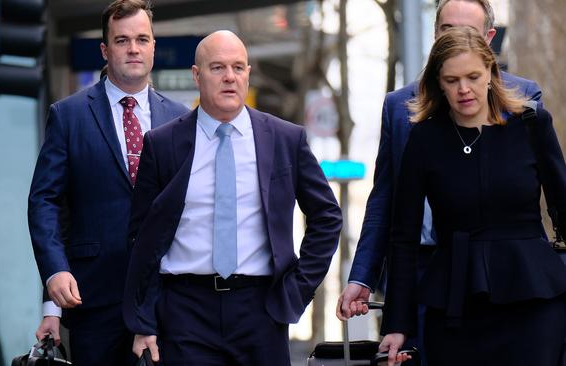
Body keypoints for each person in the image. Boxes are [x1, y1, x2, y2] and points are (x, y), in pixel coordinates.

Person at [121, 30, 342, 365]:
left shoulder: (285, 139)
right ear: (197, 75)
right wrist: (144, 321)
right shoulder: (163, 143)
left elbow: (327, 217)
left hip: (260, 310)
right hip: (185, 312)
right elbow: (142, 238)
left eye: (238, 68)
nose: (229, 78)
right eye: (218, 68)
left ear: (248, 74)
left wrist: (296, 290)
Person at [337, 1, 543, 359]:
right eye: (448, 31)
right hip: (421, 273)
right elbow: (385, 199)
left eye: (469, 32)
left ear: (489, 39)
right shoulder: (401, 109)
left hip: (503, 273)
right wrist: (362, 277)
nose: (457, 40)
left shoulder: (524, 103)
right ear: (435, 37)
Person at [377, 26, 566, 366]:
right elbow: (402, 237)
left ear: (492, 73)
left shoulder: (532, 124)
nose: (464, 89)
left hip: (533, 301)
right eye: (452, 80)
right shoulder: (424, 139)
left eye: (473, 76)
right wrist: (397, 324)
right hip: (454, 303)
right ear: (439, 82)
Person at [27, 0, 189, 364]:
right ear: (105, 49)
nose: (133, 49)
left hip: (168, 300)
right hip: (94, 299)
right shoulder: (68, 116)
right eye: (122, 40)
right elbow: (45, 203)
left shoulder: (180, 120)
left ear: (153, 48)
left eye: (142, 39)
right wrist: (54, 283)